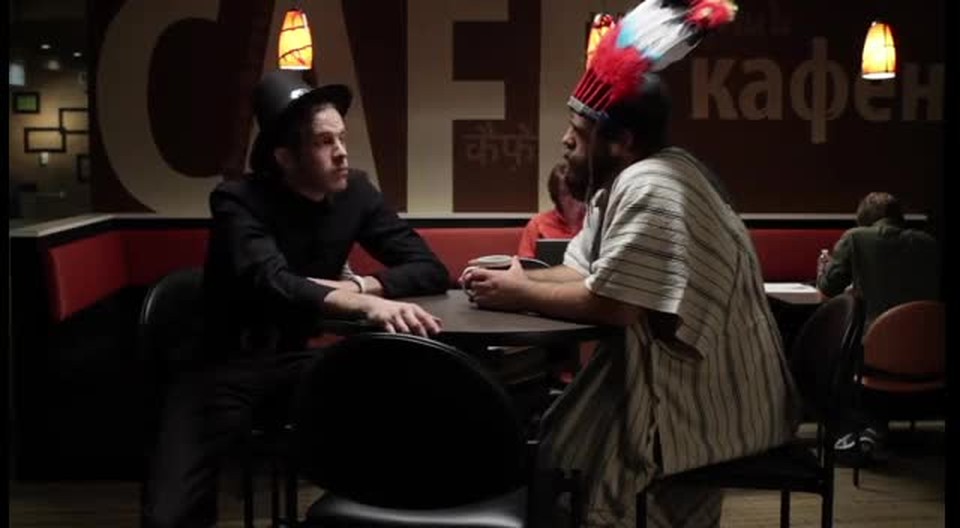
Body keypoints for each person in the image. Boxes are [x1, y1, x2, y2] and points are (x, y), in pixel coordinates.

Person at [460, 1, 798, 525]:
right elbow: (582, 271)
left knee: (566, 461)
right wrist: (521, 276)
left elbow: (615, 304)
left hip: (721, 401)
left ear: (620, 141)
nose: (565, 141)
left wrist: (519, 293)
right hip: (697, 382)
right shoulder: (624, 181)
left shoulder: (652, 185)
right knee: (555, 441)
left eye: (578, 132)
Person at [142, 70, 449, 528]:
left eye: (341, 138)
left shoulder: (356, 191)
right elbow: (273, 281)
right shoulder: (235, 201)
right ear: (285, 157)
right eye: (325, 142)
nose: (342, 152)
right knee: (170, 515)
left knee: (399, 416)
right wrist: (366, 305)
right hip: (221, 364)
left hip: (296, 359)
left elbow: (429, 267)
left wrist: (361, 287)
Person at [818, 191, 941, 463]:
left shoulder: (855, 238)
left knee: (832, 347)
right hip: (929, 352)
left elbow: (828, 290)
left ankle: (852, 430)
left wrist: (823, 269)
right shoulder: (930, 244)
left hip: (874, 354)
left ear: (864, 218)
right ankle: (874, 427)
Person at [517, 162, 586, 258]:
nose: (574, 198)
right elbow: (526, 263)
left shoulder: (595, 221)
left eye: (577, 191)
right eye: (566, 193)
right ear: (556, 197)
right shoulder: (537, 224)